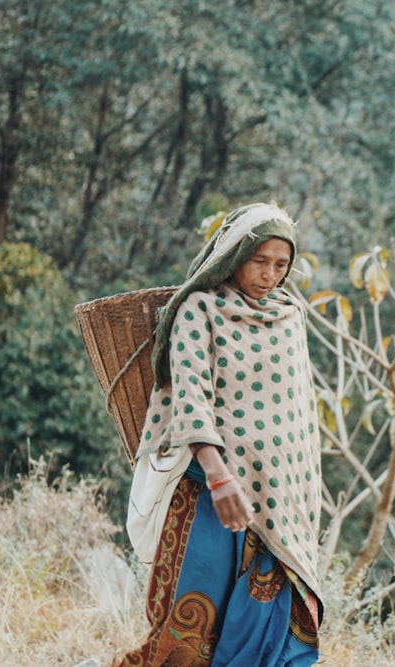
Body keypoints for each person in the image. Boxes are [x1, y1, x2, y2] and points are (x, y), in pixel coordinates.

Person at [112, 202, 323, 667]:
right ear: (233, 256)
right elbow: (191, 400)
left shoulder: (290, 316)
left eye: (281, 265)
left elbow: (299, 420)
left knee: (266, 629)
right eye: (259, 261)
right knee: (190, 630)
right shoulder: (198, 308)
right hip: (209, 492)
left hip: (277, 503)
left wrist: (302, 500)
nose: (270, 275)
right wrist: (220, 478)